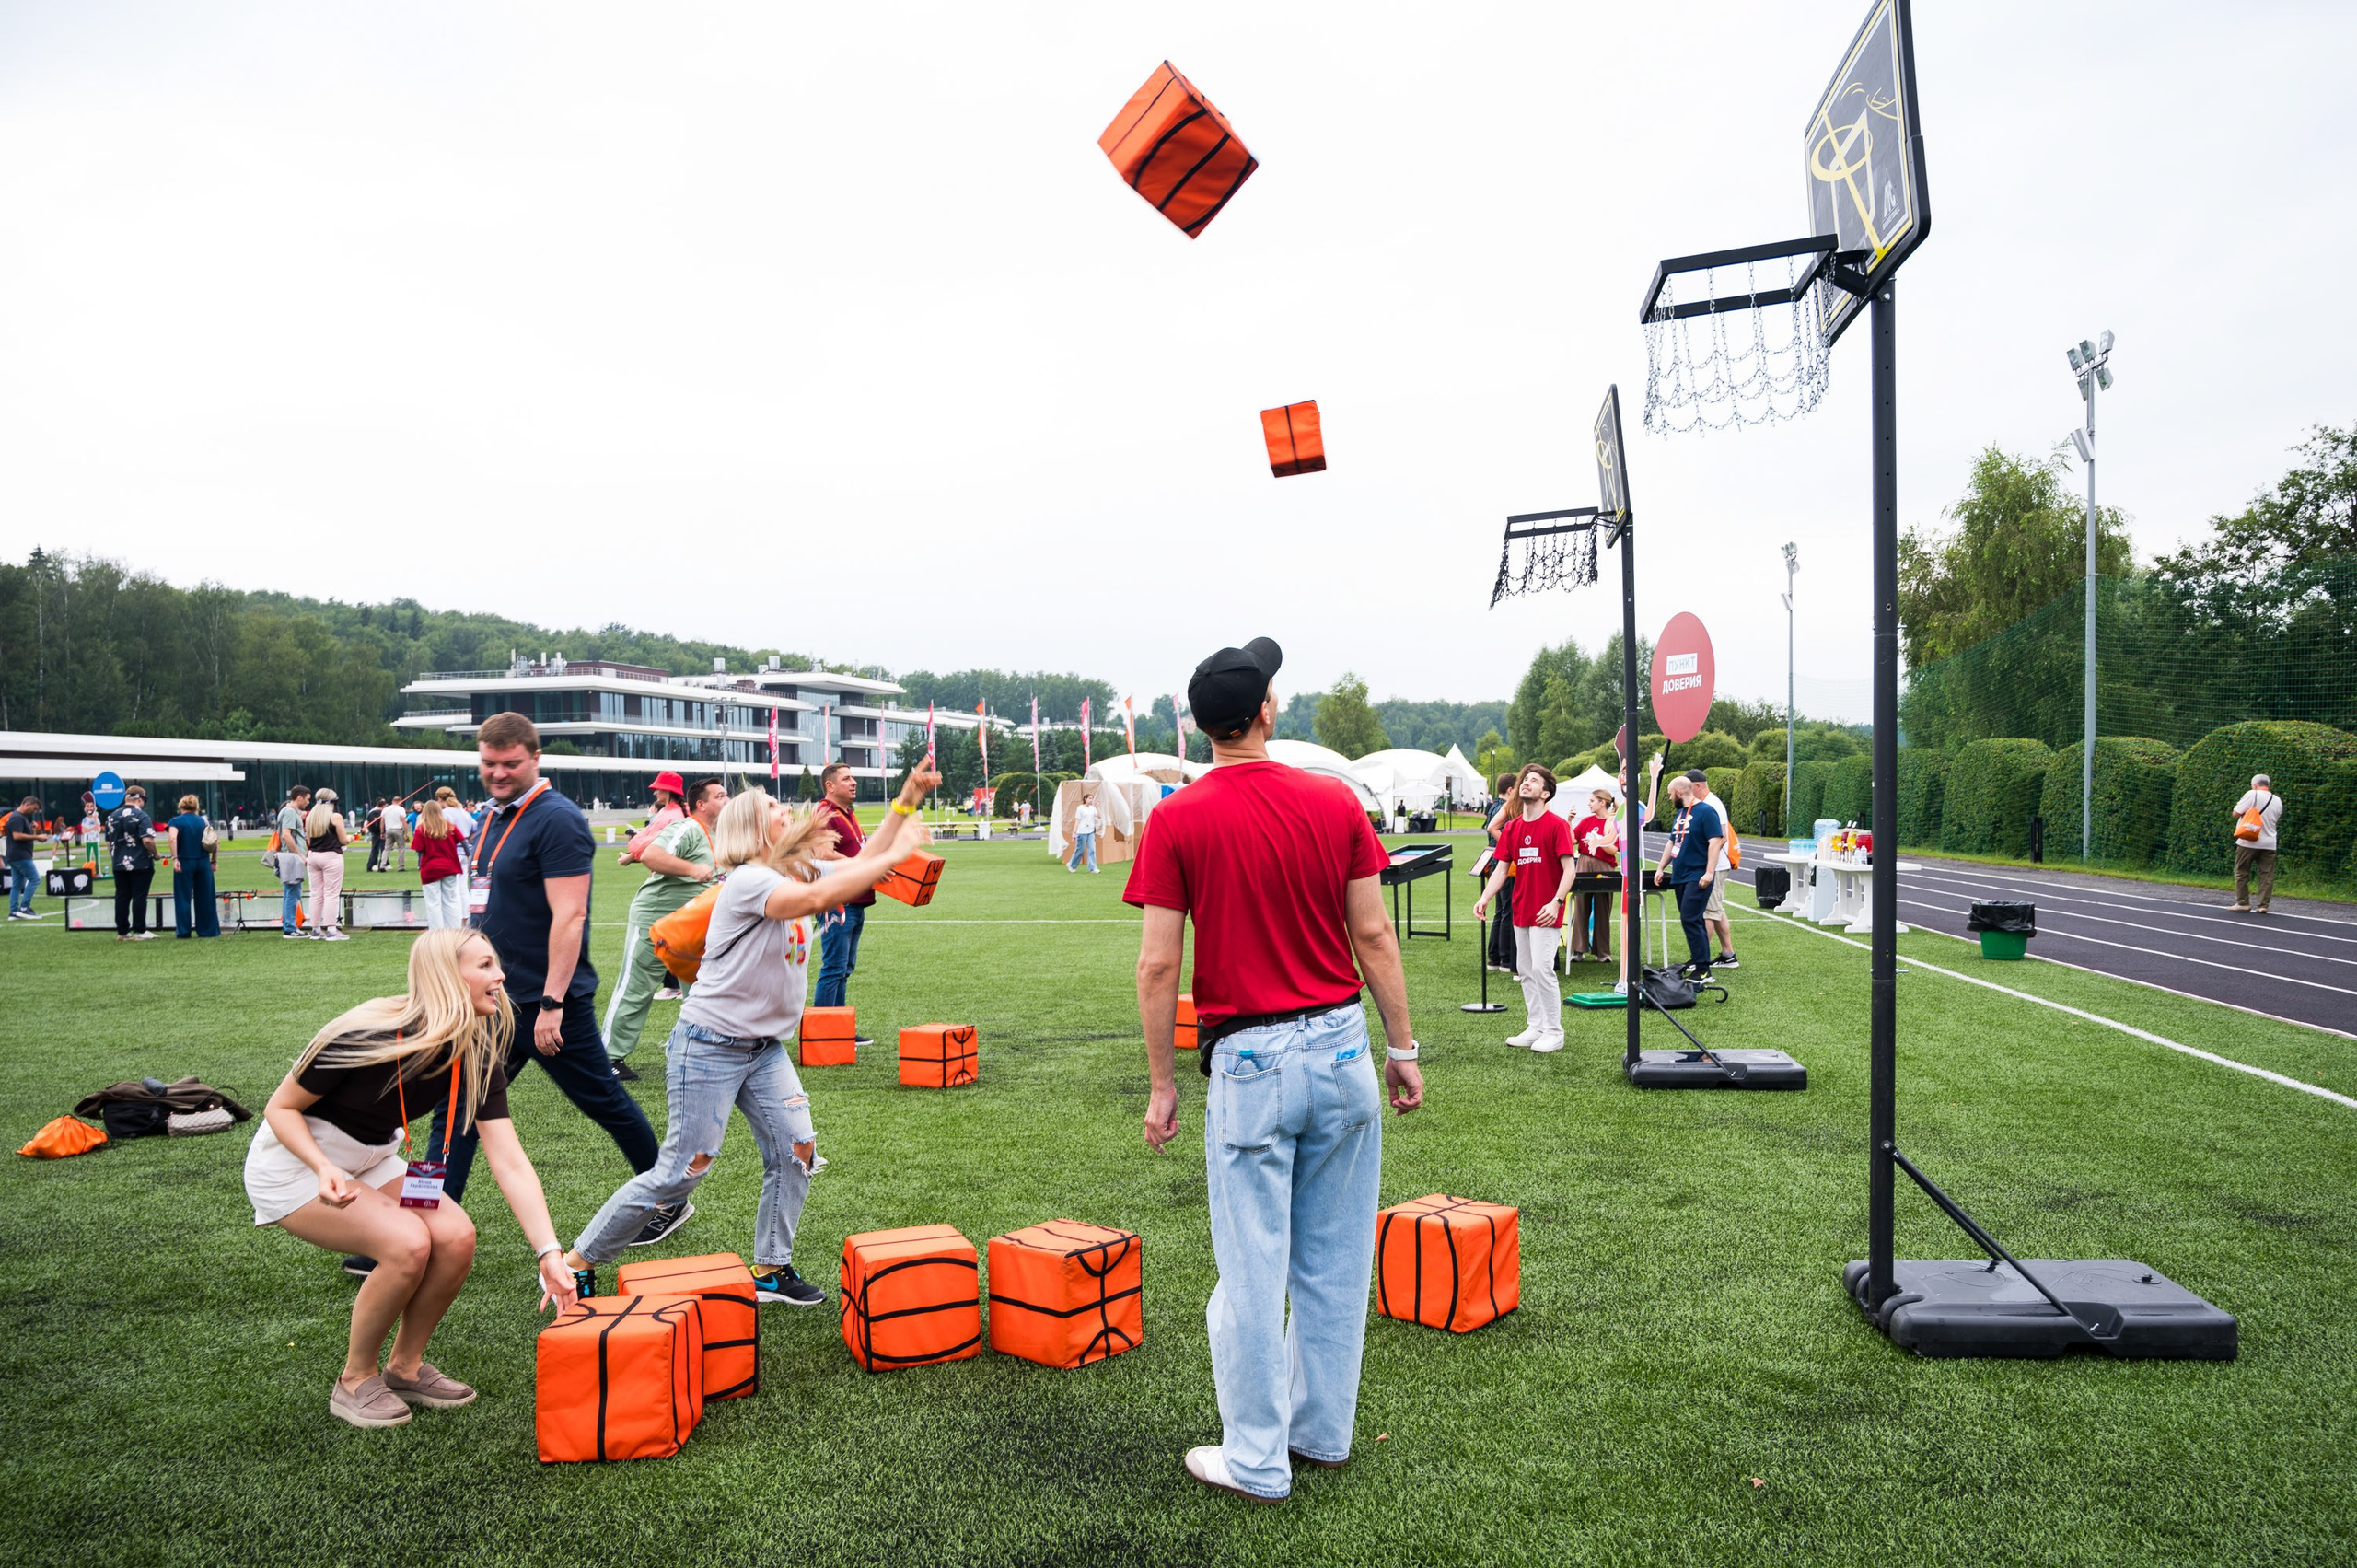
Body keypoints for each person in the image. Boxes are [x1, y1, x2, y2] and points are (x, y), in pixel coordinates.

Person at [1126, 636, 1422, 1504]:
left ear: (1200, 724)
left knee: (1253, 1270)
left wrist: (1161, 1083)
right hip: (1340, 1045)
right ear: (1265, 711)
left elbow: (1156, 967)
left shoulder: (1176, 817)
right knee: (1332, 1260)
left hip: (1249, 1060)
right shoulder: (1332, 801)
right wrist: (1402, 1049)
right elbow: (1374, 934)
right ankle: (1319, 1433)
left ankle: (1257, 1457)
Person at [563, 761, 940, 1307]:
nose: (788, 812)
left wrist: (904, 800)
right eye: (776, 810)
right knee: (677, 1175)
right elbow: (816, 901)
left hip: (763, 1050)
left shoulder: (794, 871)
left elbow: (857, 863)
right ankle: (577, 1262)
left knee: (797, 1150)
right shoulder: (749, 881)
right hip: (709, 1045)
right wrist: (895, 853)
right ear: (755, 828)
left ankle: (770, 1269)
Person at [245, 928, 579, 1428]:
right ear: (448, 975)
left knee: (457, 1235)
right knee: (408, 1244)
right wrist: (322, 1167)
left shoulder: (475, 1050)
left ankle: (404, 1367)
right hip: (295, 1165)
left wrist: (548, 1251)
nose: (501, 975)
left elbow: (508, 1159)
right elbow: (280, 1108)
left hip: (373, 1157)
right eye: (485, 965)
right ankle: (355, 1380)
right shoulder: (364, 1033)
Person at [418, 714, 667, 1253]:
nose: (498, 773)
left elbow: (570, 916)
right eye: (489, 763)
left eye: (511, 764)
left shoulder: (555, 819)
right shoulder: (488, 817)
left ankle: (667, 1197)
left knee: (604, 1100)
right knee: (456, 1103)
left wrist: (553, 1002)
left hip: (546, 1001)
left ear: (534, 759)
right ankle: (422, 1223)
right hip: (492, 1000)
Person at [605, 776, 726, 1080]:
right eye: (720, 796)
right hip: (654, 918)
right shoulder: (686, 827)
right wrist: (692, 869)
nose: (727, 801)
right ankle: (608, 1057)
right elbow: (651, 855)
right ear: (701, 804)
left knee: (700, 990)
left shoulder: (722, 833)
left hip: (690, 926)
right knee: (637, 986)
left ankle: (700, 1051)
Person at [1473, 764, 1577, 1052]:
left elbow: (1570, 870)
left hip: (1547, 909)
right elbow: (1501, 868)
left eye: (1534, 780)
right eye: (1525, 779)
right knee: (1525, 969)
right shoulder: (1513, 828)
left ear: (1545, 793)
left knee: (1542, 968)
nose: (1526, 783)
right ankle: (1536, 1026)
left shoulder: (1557, 825)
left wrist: (1557, 902)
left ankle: (1554, 1032)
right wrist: (1486, 897)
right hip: (1521, 908)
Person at [811, 763, 876, 1035]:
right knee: (834, 967)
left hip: (854, 899)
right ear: (830, 785)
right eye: (846, 778)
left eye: (853, 777)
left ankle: (838, 1029)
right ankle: (824, 1033)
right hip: (838, 900)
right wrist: (861, 866)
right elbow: (822, 853)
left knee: (843, 967)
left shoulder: (845, 813)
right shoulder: (825, 812)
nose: (854, 782)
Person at [1650, 777, 1725, 981]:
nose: (1669, 798)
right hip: (1680, 875)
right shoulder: (1680, 813)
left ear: (1679, 792)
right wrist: (1660, 868)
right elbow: (1672, 842)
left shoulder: (1707, 811)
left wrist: (1709, 872)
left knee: (1690, 919)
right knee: (1693, 920)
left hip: (1697, 874)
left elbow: (1715, 842)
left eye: (1669, 794)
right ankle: (1699, 964)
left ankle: (1703, 969)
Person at [1684, 769, 1741, 970]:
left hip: (1715, 866)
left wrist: (1706, 861)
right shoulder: (1707, 802)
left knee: (1708, 912)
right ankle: (1728, 954)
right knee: (1716, 910)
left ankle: (1700, 959)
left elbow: (1722, 836)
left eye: (1688, 789)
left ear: (1697, 786)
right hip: (1714, 865)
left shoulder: (1712, 804)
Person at [1570, 786, 1619, 962]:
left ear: (1602, 803)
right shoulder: (1585, 821)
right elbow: (1572, 841)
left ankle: (1603, 952)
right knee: (1581, 906)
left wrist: (1598, 842)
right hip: (1583, 862)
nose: (1589, 804)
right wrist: (1569, 821)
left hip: (1604, 866)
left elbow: (1613, 850)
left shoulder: (1613, 822)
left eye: (1592, 801)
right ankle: (1578, 950)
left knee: (1603, 908)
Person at [108, 786, 161, 941]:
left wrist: (115, 857)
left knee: (122, 896)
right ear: (140, 799)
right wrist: (155, 854)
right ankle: (140, 929)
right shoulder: (141, 816)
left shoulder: (112, 816)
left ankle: (122, 932)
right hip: (140, 862)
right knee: (139, 896)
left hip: (118, 863)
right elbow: (147, 840)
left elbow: (109, 842)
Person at [168, 795, 222, 939]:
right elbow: (215, 842)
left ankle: (184, 931)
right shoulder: (203, 821)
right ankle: (208, 930)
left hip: (184, 861)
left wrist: (175, 858)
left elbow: (172, 838)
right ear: (196, 807)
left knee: (183, 897)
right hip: (203, 862)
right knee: (206, 898)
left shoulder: (175, 821)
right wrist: (214, 861)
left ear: (181, 806)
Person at [2230, 773, 2285, 914]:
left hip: (2249, 840)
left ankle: (2243, 902)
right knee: (2266, 875)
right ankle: (2263, 905)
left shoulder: (2252, 794)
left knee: (2241, 872)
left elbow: (2236, 813)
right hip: (2270, 842)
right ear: (2268, 785)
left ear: (2254, 785)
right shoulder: (2277, 800)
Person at [304, 789, 353, 942]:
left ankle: (316, 930)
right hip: (331, 857)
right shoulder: (335, 817)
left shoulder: (310, 816)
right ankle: (332, 930)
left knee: (316, 893)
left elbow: (310, 842)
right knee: (331, 893)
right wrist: (351, 838)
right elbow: (344, 840)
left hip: (313, 857)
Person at [1481, 772, 1517, 973]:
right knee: (1507, 912)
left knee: (1500, 911)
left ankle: (1494, 957)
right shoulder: (1506, 808)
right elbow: (1493, 829)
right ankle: (1505, 958)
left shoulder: (1493, 806)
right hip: (1504, 862)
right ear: (1511, 790)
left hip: (1495, 861)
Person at [413, 800, 468, 930]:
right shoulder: (449, 826)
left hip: (430, 869)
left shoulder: (422, 829)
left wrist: (420, 865)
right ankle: (454, 929)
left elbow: (419, 850)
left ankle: (436, 932)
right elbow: (463, 841)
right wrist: (468, 854)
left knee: (433, 903)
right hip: (449, 867)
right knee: (451, 900)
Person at [275, 786, 312, 937]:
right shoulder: (290, 812)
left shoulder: (287, 811)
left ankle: (289, 926)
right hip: (291, 857)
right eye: (307, 799)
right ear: (299, 797)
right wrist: (299, 855)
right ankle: (290, 928)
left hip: (289, 856)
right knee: (293, 893)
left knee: (290, 892)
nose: (308, 802)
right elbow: (286, 835)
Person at [6, 794, 43, 921]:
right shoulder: (17, 818)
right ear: (27, 804)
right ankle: (24, 908)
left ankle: (14, 911)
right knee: (35, 879)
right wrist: (37, 837)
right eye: (34, 809)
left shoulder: (19, 817)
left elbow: (22, 836)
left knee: (17, 885)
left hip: (14, 855)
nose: (35, 812)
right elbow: (17, 836)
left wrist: (32, 830)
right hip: (20, 855)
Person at [1068, 791, 1100, 873]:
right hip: (1082, 832)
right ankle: (1072, 865)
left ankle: (1092, 868)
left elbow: (1099, 816)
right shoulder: (1080, 808)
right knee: (1080, 850)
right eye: (1089, 798)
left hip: (1091, 832)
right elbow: (1077, 820)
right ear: (1085, 799)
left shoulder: (1092, 808)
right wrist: (1074, 832)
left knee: (1092, 849)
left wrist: (1097, 807)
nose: (1091, 800)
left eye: (1092, 799)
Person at [381, 797, 410, 874]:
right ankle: (401, 867)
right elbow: (404, 822)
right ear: (400, 801)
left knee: (386, 849)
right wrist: (406, 834)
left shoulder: (385, 809)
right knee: (401, 848)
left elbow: (382, 822)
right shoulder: (401, 809)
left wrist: (382, 832)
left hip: (388, 830)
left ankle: (382, 865)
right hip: (398, 830)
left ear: (392, 801)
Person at [365, 796, 388, 873]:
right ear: (384, 805)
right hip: (382, 833)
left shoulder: (371, 812)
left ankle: (370, 865)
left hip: (374, 833)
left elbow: (367, 822)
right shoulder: (384, 813)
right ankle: (382, 865)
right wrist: (382, 832)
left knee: (374, 849)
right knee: (383, 849)